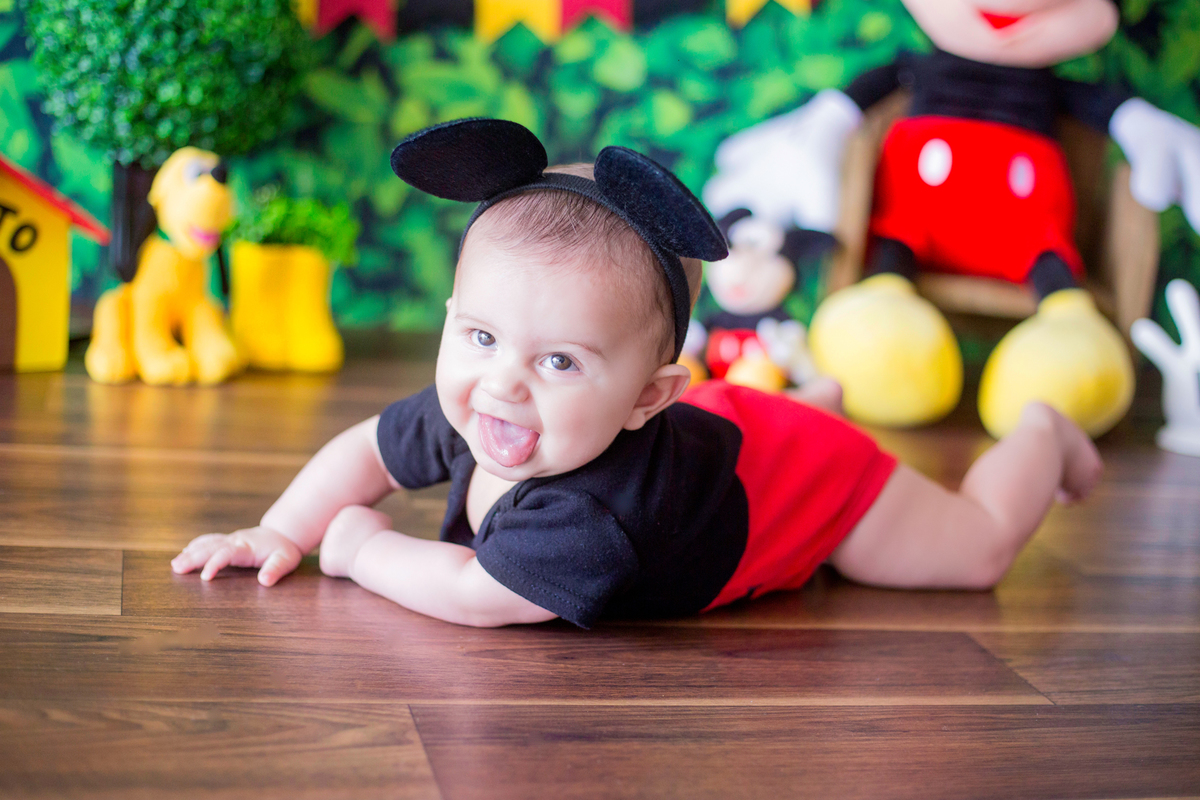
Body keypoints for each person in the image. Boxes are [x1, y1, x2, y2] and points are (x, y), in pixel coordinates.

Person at [172, 119, 1102, 629]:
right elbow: (367, 448)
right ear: (453, 322)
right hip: (723, 433)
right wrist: (281, 529)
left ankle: (1040, 432)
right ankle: (812, 401)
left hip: (803, 484)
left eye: (561, 361)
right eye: (482, 337)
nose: (504, 385)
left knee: (974, 552)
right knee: (737, 421)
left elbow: (473, 597)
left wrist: (361, 550)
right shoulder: (484, 401)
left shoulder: (592, 517)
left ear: (647, 394)